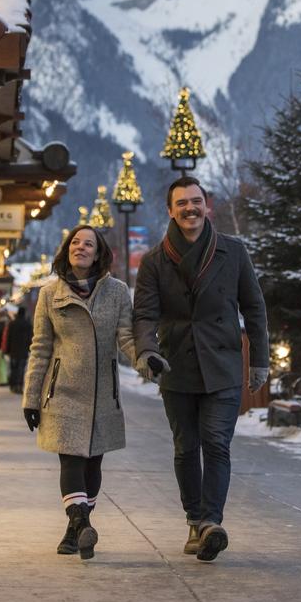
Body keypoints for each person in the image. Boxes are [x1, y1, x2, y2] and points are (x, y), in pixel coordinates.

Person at [133, 176, 269, 562]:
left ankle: (210, 522)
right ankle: (195, 519)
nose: (190, 209)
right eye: (182, 204)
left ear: (207, 205)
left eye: (197, 202)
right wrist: (147, 352)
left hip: (223, 365)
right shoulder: (154, 261)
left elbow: (254, 308)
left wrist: (259, 359)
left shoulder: (233, 252)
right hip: (176, 366)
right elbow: (144, 315)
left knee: (216, 443)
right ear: (170, 210)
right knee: (185, 447)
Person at [22, 225, 136, 560]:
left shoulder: (116, 292)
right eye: (75, 242)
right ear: (66, 249)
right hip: (63, 392)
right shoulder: (50, 294)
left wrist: (147, 360)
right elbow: (40, 348)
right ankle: (80, 521)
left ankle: (76, 532)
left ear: (99, 253)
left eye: (89, 243)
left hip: (103, 393)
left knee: (92, 464)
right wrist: (31, 398)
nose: (81, 247)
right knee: (70, 459)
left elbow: (127, 338)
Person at [4, 306, 33, 393]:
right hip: (23, 351)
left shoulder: (12, 324)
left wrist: (7, 349)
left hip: (13, 351)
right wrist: (29, 348)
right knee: (21, 370)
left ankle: (12, 386)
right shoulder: (27, 325)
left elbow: (8, 337)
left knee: (13, 369)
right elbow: (30, 338)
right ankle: (19, 386)